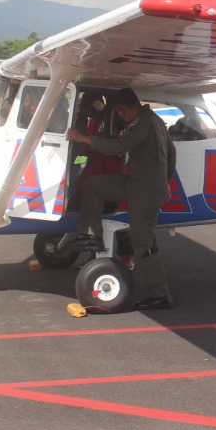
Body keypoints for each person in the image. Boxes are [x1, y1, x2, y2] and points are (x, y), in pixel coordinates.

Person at [65, 88, 176, 310]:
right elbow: (171, 152)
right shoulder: (150, 119)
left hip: (145, 189)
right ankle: (92, 238)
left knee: (143, 240)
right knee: (93, 185)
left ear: (124, 109)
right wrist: (165, 180)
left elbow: (120, 146)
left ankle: (161, 295)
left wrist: (84, 137)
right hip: (136, 183)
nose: (121, 118)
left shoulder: (146, 122)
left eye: (120, 113)